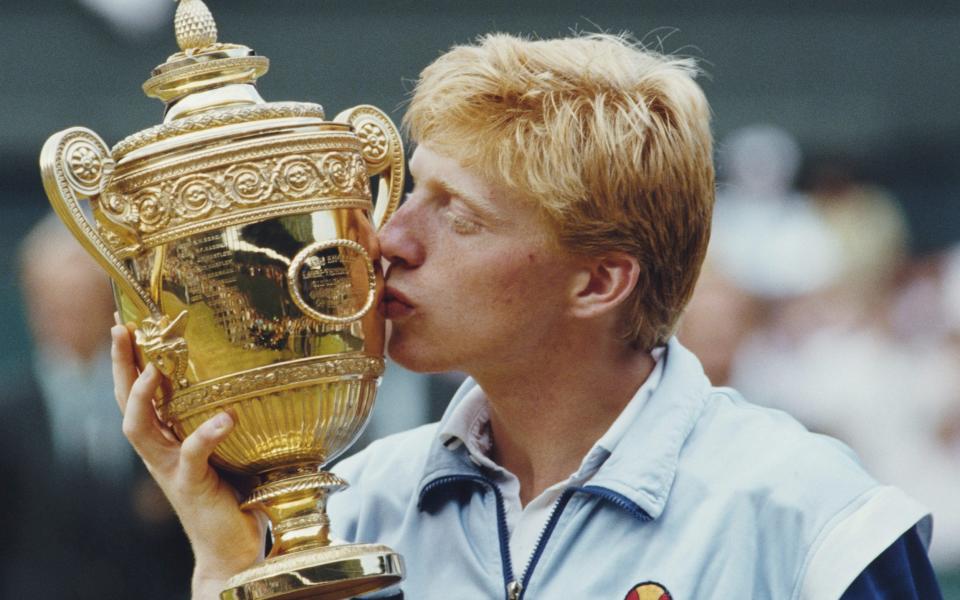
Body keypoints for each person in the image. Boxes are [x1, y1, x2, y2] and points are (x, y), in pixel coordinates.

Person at [113, 34, 942, 599]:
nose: (391, 238)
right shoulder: (355, 504)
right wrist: (229, 562)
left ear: (599, 281)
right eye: (409, 194)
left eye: (457, 214)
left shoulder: (813, 517)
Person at [3, 213, 192, 599]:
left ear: (108, 300)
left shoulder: (162, 399)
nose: (63, 320)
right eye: (51, 303)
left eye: (78, 302)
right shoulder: (10, 411)